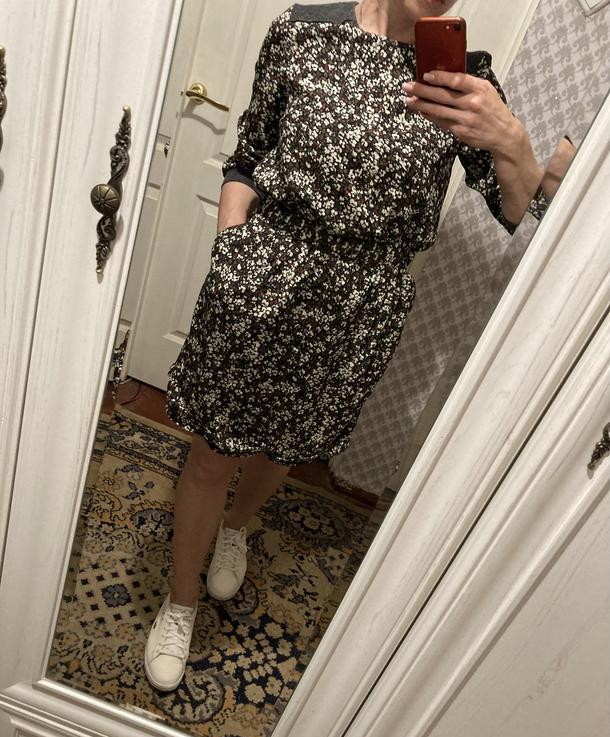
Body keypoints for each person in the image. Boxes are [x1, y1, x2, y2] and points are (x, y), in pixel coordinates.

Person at [144, 0, 546, 691]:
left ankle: (236, 526)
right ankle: (180, 603)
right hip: (266, 272)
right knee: (213, 451)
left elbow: (520, 211)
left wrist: (512, 142)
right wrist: (234, 249)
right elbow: (248, 157)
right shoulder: (302, 30)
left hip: (361, 305)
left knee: (290, 445)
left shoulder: (465, 80)